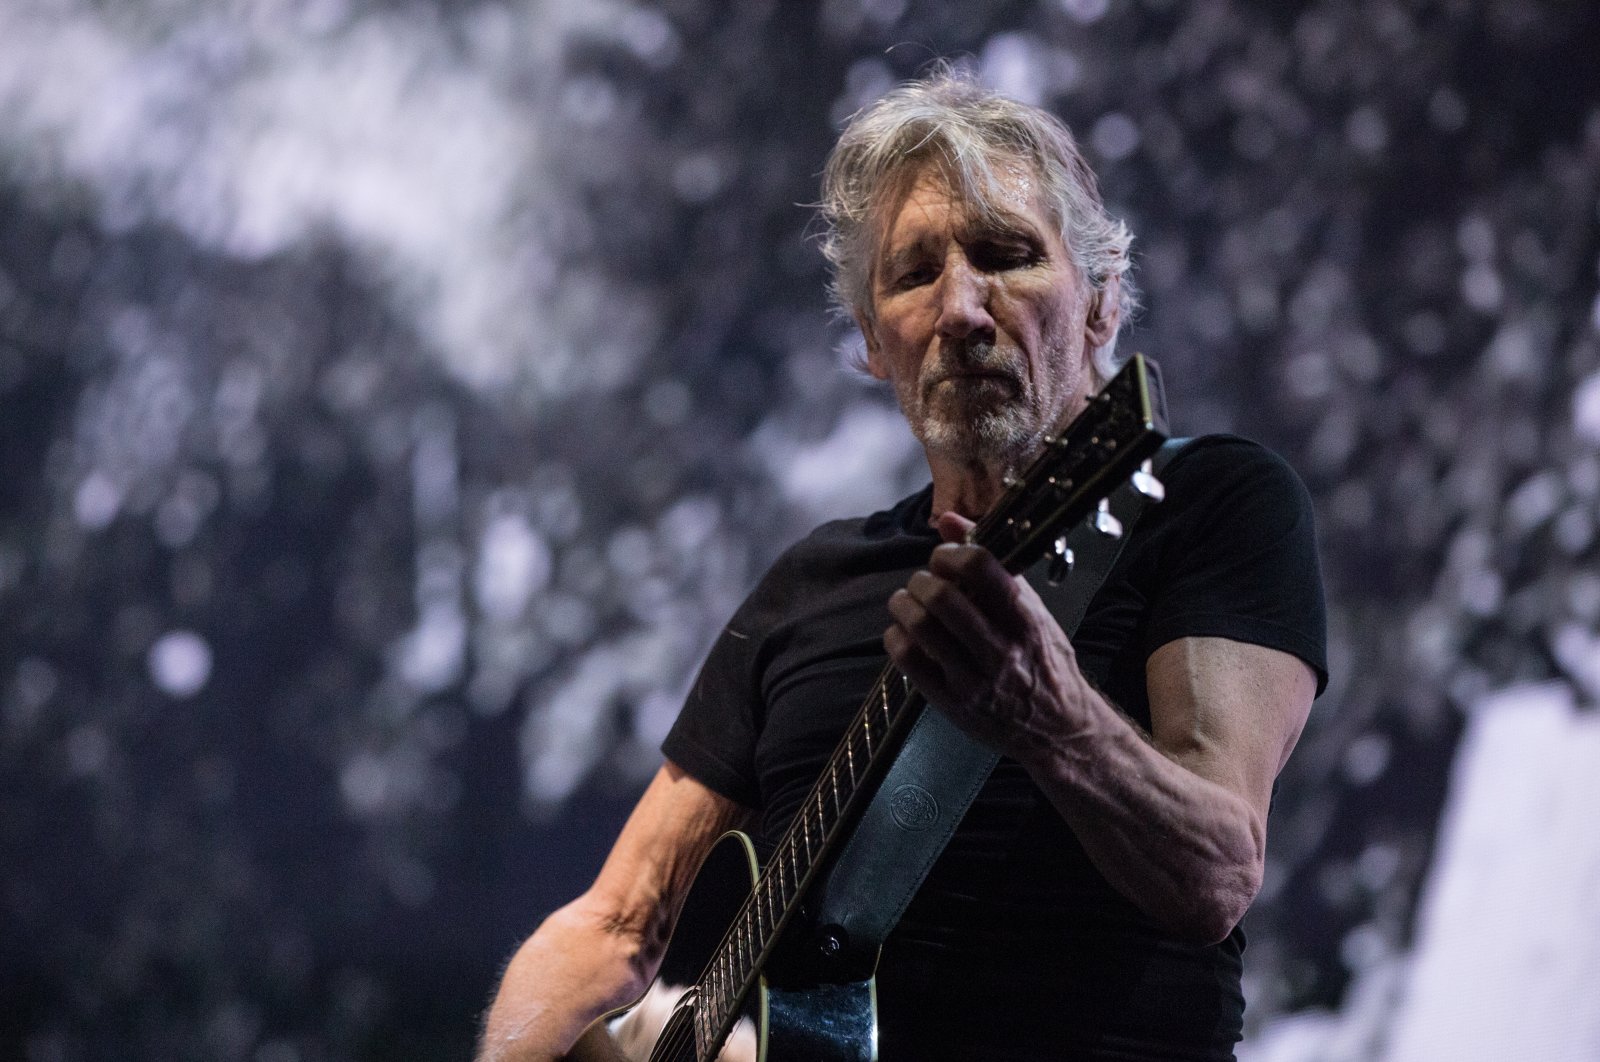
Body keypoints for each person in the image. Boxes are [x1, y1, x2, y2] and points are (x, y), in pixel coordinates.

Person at [479, 69, 1327, 1062]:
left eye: (1007, 257)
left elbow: (1216, 873)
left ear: (1103, 303)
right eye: (913, 275)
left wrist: (1052, 720)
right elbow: (614, 927)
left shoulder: (1209, 501)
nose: (962, 308)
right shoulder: (813, 580)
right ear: (875, 346)